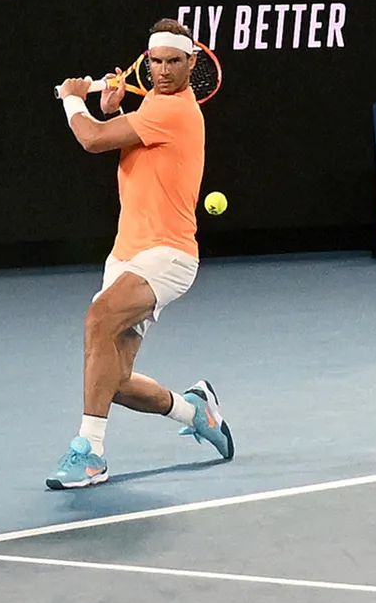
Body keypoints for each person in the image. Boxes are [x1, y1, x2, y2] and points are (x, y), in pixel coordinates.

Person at [47, 26, 236, 489]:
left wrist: (74, 98)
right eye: (157, 62)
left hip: (167, 255)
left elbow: (92, 139)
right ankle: (195, 410)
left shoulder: (173, 109)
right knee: (116, 377)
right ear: (147, 63)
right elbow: (124, 136)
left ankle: (90, 452)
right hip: (126, 253)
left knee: (97, 319)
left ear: (193, 65)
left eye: (175, 62)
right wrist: (114, 108)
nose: (165, 71)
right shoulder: (153, 106)